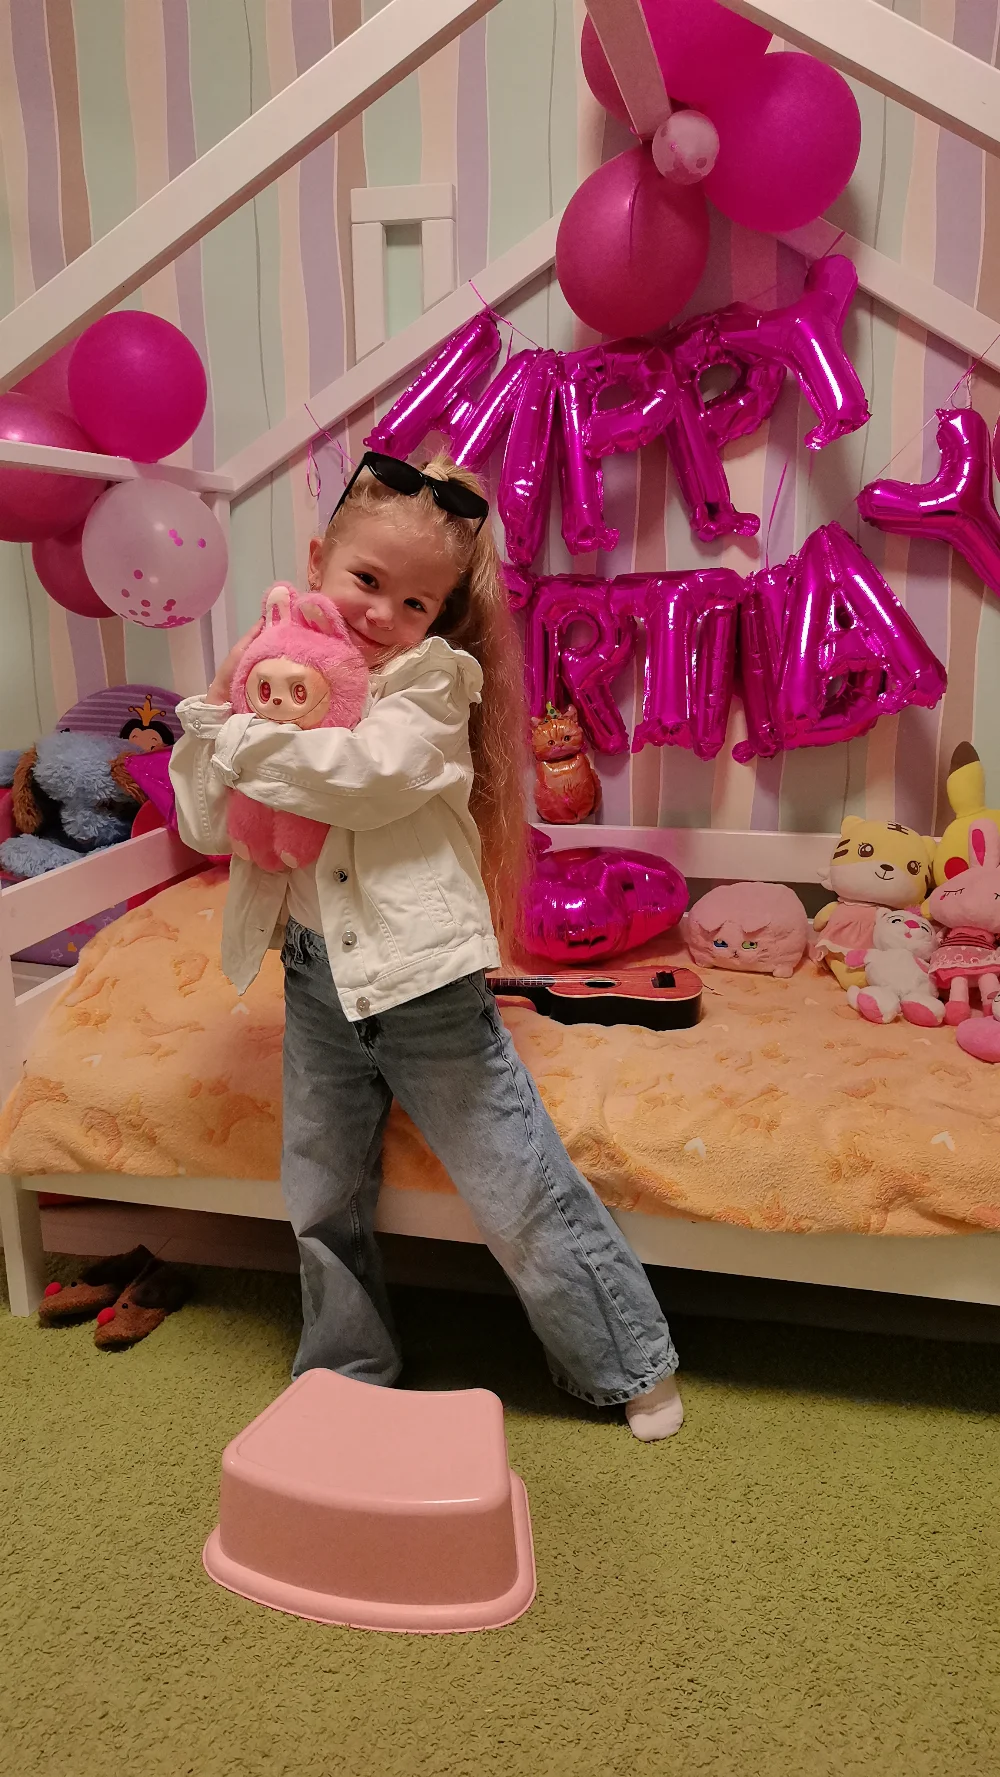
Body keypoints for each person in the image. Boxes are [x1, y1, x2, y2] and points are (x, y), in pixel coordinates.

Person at [169, 451, 683, 1441]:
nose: (381, 613)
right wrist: (217, 710)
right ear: (317, 562)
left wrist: (233, 735)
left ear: (439, 616)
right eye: (365, 579)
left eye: (415, 601)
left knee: (513, 1181)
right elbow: (203, 821)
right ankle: (347, 1368)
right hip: (315, 976)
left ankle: (627, 1359)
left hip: (424, 981)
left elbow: (364, 777)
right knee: (319, 1192)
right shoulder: (276, 677)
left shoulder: (431, 683)